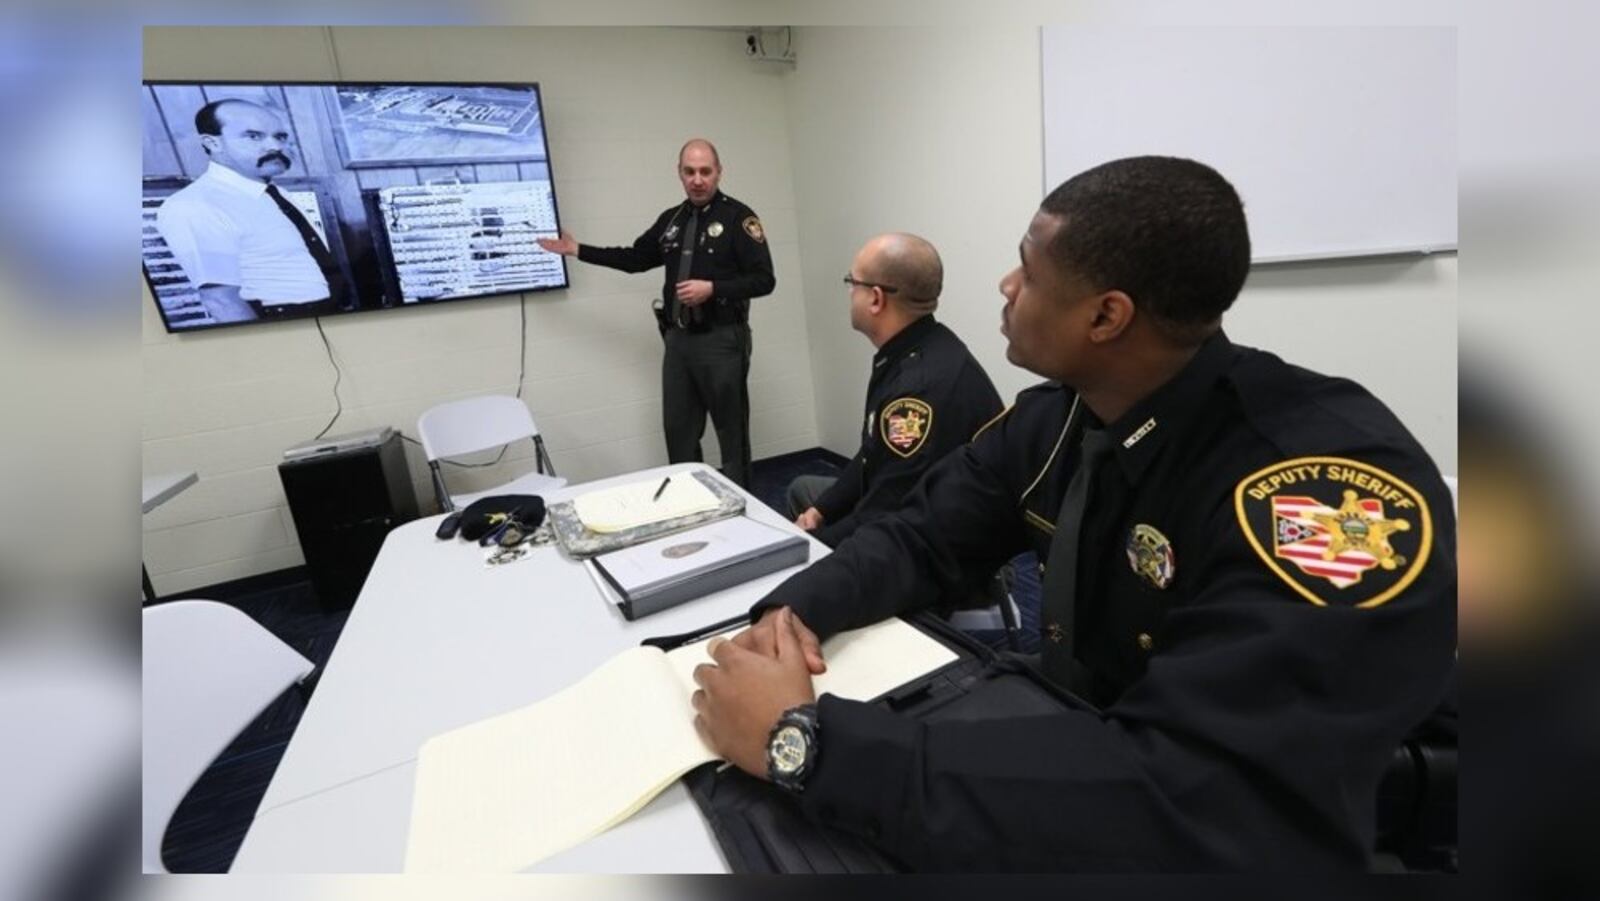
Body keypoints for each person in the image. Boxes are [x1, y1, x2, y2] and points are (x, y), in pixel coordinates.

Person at [689, 156, 1456, 870]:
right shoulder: (1061, 417)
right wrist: (793, 611)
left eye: (1027, 267)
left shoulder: (1319, 492)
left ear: (1105, 316)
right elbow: (923, 533)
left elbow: (1196, 797)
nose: (1005, 284)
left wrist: (805, 745)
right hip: (1098, 728)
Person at [537, 139, 774, 488]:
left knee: (731, 434)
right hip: (678, 342)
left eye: (705, 172)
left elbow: (765, 280)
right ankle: (689, 501)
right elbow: (635, 259)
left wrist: (713, 289)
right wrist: (577, 250)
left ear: (718, 173)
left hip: (722, 340)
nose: (697, 179)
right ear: (679, 174)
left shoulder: (739, 218)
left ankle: (745, 509)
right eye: (689, 172)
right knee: (678, 430)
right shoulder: (672, 220)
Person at [787, 232, 1002, 548]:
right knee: (804, 491)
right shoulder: (923, 343)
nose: (849, 293)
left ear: (876, 298)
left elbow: (888, 518)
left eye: (852, 282)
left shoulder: (915, 392)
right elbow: (872, 456)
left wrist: (811, 546)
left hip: (949, 547)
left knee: (804, 554)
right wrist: (822, 510)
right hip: (915, 506)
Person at [156, 98, 347, 325]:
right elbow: (220, 300)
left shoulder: (276, 194)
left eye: (280, 137)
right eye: (253, 136)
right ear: (212, 143)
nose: (275, 147)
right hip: (279, 326)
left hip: (329, 319)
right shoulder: (195, 205)